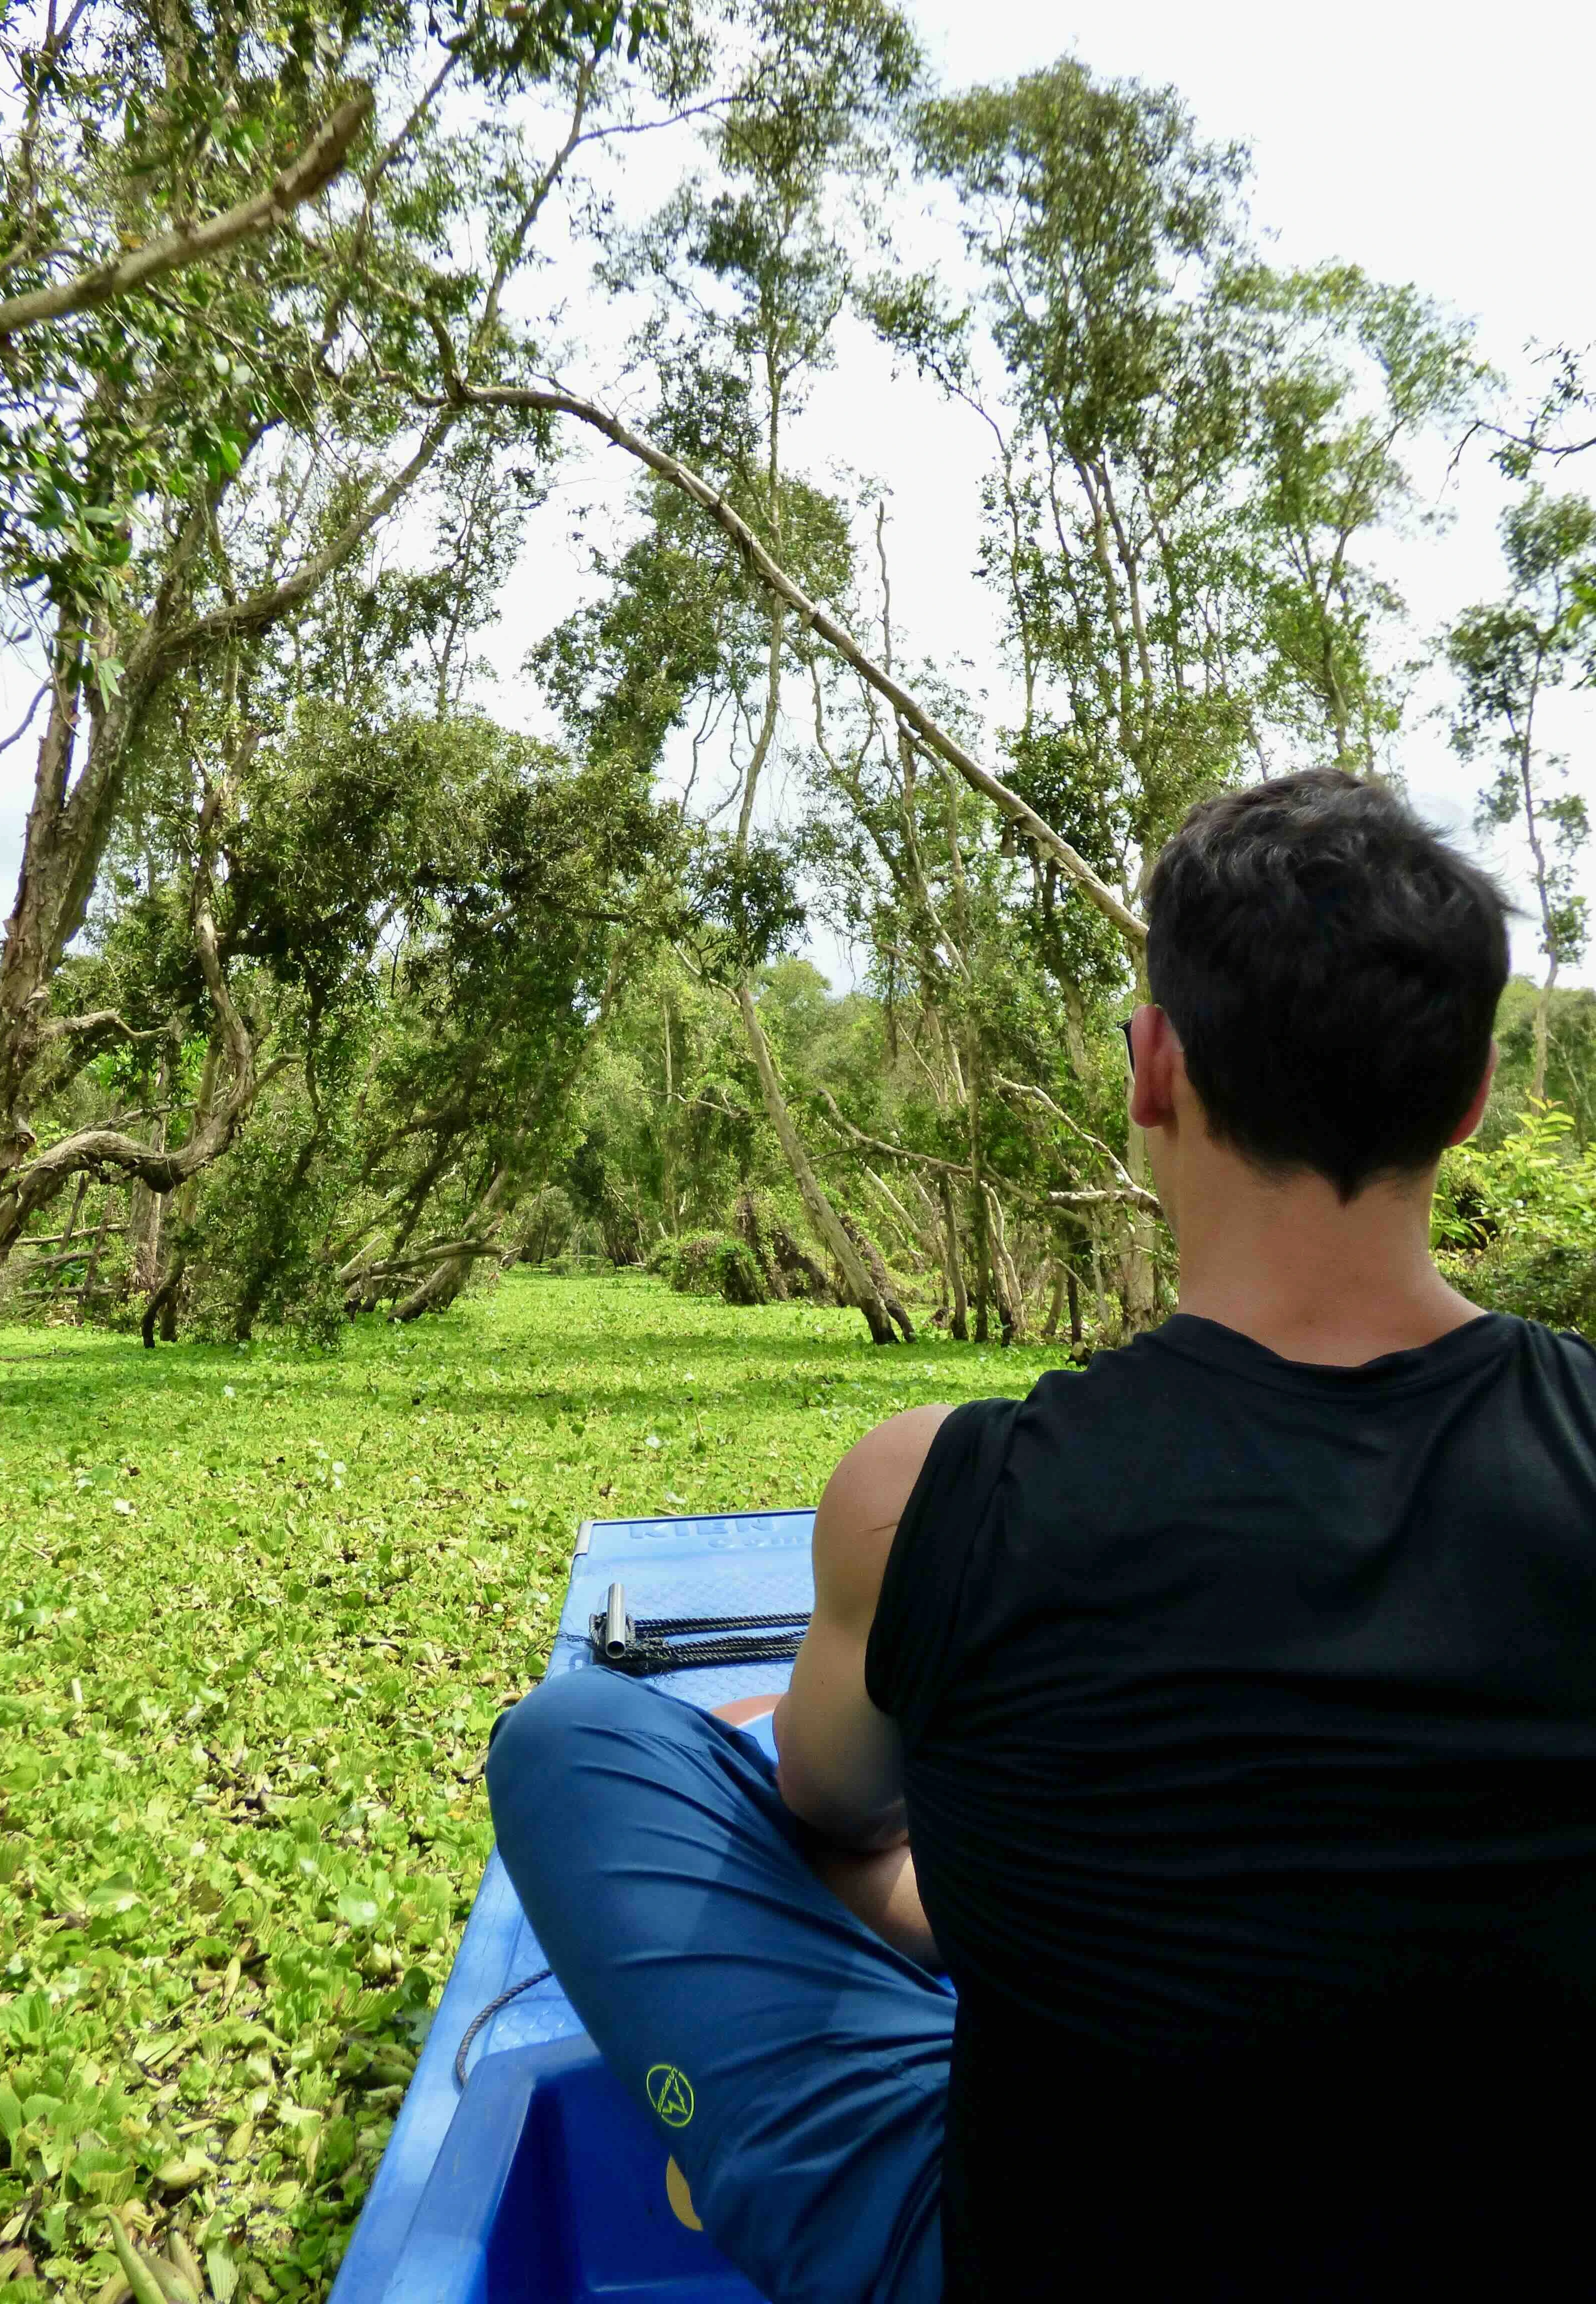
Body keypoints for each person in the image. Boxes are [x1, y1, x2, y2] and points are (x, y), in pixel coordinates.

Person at [487, 768, 1596, 2304]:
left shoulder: (928, 1494)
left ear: (1153, 1069)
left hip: (1024, 2251)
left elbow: (828, 1813)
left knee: (574, 1743)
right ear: (1474, 1095)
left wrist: (984, 1896)